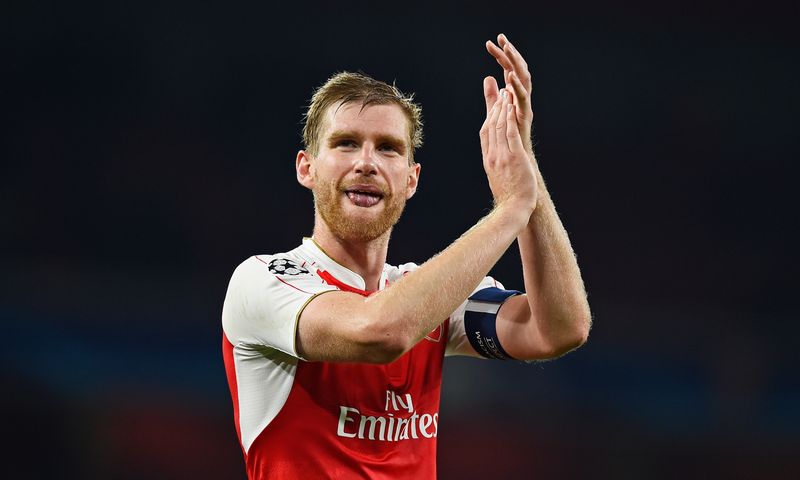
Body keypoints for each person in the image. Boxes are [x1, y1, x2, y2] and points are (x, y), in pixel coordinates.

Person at [222, 33, 591, 479]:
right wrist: (511, 209)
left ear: (411, 179)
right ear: (307, 168)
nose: (366, 162)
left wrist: (524, 168)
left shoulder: (430, 295)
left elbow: (560, 329)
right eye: (345, 143)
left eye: (388, 147)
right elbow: (380, 331)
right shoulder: (263, 281)